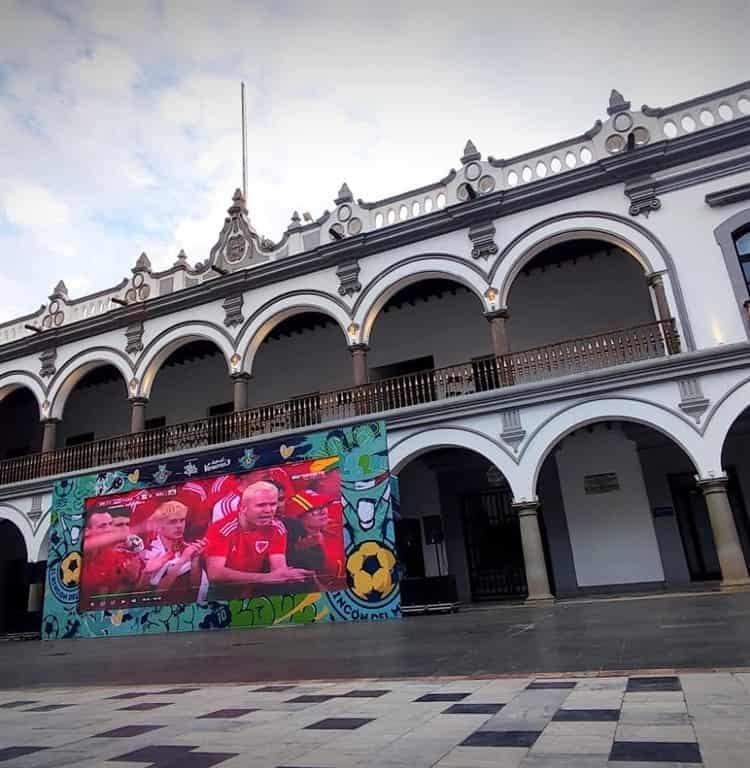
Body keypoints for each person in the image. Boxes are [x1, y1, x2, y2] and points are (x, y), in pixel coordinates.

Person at [203, 480, 312, 599]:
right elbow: (215, 574)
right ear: (243, 508)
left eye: (273, 504)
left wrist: (286, 575)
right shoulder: (222, 529)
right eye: (261, 505)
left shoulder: (277, 528)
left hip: (254, 592)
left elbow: (278, 570)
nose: (268, 510)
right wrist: (267, 578)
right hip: (222, 594)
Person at [141, 500, 206, 602]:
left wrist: (195, 560)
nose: (179, 526)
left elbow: (196, 590)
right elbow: (155, 596)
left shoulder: (187, 548)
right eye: (173, 522)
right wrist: (182, 561)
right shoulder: (147, 553)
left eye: (182, 520)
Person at [79, 508, 145, 606]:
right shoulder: (77, 557)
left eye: (110, 524)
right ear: (87, 531)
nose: (110, 529)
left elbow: (106, 602)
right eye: (103, 526)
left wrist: (130, 580)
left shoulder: (116, 556)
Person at [283, 490, 346, 589]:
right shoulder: (292, 546)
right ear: (297, 517)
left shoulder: (338, 531)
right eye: (313, 509)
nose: (323, 512)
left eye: (324, 506)